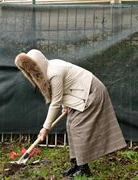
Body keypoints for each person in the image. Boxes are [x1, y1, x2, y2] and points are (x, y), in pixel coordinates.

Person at [14, 49, 126, 179]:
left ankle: (84, 169)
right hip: (78, 94)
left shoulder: (54, 72)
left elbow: (55, 101)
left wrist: (45, 128)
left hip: (92, 92)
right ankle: (76, 164)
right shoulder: (51, 66)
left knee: (77, 127)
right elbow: (65, 87)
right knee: (70, 125)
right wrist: (65, 105)